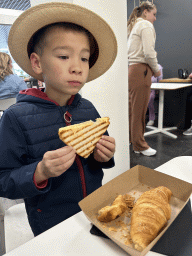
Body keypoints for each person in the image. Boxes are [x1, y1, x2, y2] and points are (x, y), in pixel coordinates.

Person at [0, 2, 117, 236]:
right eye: (64, 56)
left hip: (95, 211)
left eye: (84, 58)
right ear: (37, 63)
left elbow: (95, 160)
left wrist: (105, 156)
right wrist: (40, 171)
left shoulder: (88, 109)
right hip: (51, 224)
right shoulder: (16, 117)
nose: (77, 67)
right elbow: (4, 180)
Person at [127, 1, 161, 156]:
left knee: (132, 109)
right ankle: (139, 145)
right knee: (139, 111)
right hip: (141, 70)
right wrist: (156, 70)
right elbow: (149, 52)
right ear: (146, 12)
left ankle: (131, 141)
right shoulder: (146, 26)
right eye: (154, 14)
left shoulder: (135, 25)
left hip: (132, 70)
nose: (154, 18)